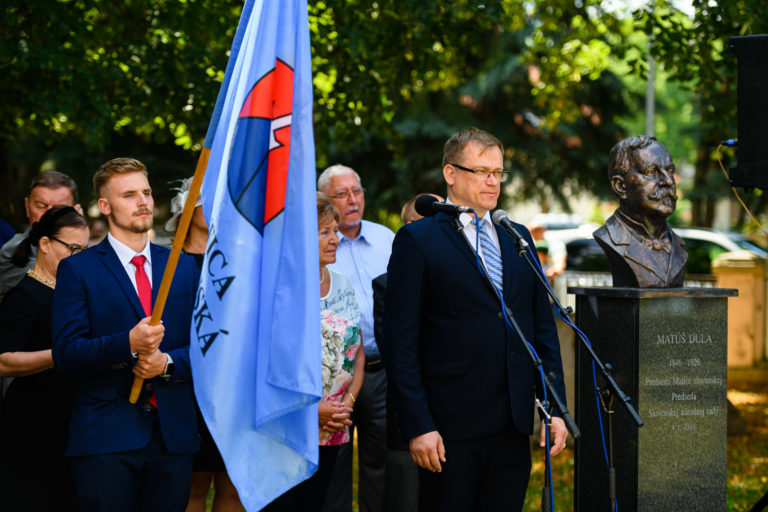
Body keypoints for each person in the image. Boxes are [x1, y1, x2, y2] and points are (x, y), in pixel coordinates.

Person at [381, 127, 568, 511]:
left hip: (512, 424)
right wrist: (418, 425)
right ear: (451, 174)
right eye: (482, 171)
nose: (492, 181)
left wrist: (557, 408)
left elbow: (542, 331)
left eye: (498, 173)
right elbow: (400, 342)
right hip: (449, 425)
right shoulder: (418, 240)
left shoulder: (516, 236)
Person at [52, 158, 201, 511]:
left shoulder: (181, 265)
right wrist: (126, 344)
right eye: (129, 194)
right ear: (104, 206)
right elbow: (66, 354)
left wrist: (167, 364)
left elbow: (208, 347)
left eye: (146, 192)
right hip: (106, 437)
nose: (143, 202)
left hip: (173, 436)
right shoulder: (78, 269)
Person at [264, 193, 365, 511]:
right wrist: (310, 411)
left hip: (332, 429)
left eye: (335, 231)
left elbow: (357, 352)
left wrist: (345, 405)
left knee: (315, 504)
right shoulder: (277, 289)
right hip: (284, 429)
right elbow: (263, 367)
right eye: (325, 232)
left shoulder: (344, 284)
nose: (335, 239)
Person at [0, 206, 89, 511]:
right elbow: (2, 361)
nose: (79, 257)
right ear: (46, 243)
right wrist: (62, 355)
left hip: (71, 421)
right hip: (32, 425)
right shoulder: (24, 295)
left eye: (84, 250)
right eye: (73, 248)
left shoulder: (73, 293)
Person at [165, 179, 244, 512]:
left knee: (234, 484)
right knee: (192, 485)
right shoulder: (166, 264)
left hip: (233, 388)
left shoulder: (236, 260)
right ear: (187, 210)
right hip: (186, 388)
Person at [319, 165, 394, 512]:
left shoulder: (388, 240)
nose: (352, 200)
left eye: (357, 191)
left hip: (380, 371)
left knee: (380, 462)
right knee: (334, 465)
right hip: (331, 381)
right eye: (341, 194)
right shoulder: (319, 250)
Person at [373, 193, 442, 512]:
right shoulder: (387, 284)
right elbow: (396, 347)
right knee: (405, 497)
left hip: (457, 416)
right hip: (409, 414)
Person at [593, 135, 688, 288]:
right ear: (620, 186)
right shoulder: (609, 238)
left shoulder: (678, 245)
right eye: (651, 172)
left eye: (670, 171)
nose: (668, 181)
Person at [0, 171, 80, 301]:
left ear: (76, 211)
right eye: (41, 206)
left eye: (59, 208)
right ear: (27, 206)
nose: (49, 214)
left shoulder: (89, 251)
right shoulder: (13, 250)